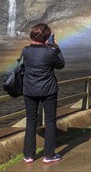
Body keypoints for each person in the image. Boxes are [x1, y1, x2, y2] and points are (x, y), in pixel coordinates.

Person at [22, 23, 65, 164]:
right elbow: (61, 65)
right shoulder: (50, 51)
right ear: (46, 37)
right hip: (48, 90)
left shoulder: (25, 51)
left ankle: (28, 155)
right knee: (50, 121)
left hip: (29, 90)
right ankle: (48, 155)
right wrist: (56, 47)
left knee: (31, 121)